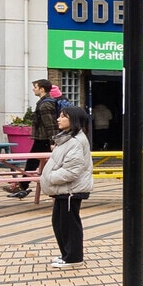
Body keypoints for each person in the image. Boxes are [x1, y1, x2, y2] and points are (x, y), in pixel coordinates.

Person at [39, 103, 94, 268]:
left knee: (69, 225)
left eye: (63, 116)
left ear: (74, 120)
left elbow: (72, 170)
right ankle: (66, 254)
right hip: (64, 190)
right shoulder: (67, 139)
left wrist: (50, 177)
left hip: (71, 190)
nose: (58, 119)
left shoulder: (76, 141)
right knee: (59, 222)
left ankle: (74, 258)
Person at [8, 79, 61, 199]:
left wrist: (53, 142)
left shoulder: (45, 105)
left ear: (42, 89)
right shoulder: (43, 102)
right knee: (35, 163)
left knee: (35, 163)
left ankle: (23, 187)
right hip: (42, 139)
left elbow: (51, 125)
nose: (33, 89)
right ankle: (23, 186)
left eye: (35, 87)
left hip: (44, 140)